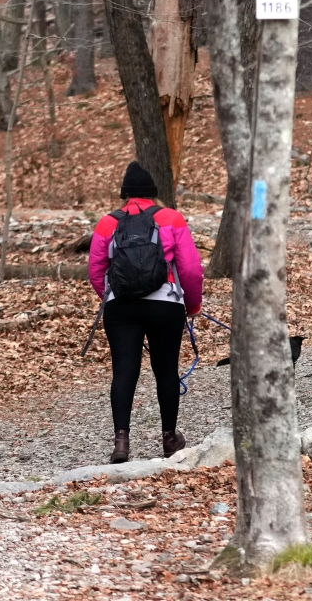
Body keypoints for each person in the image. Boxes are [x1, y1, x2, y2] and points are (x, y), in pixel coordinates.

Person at [88, 162, 204, 464]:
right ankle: (169, 439)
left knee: (124, 371)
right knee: (165, 369)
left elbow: (95, 270)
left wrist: (112, 298)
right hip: (165, 305)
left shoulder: (106, 224)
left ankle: (121, 442)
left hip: (121, 308)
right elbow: (191, 269)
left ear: (124, 195)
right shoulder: (171, 218)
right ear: (154, 194)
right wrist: (192, 305)